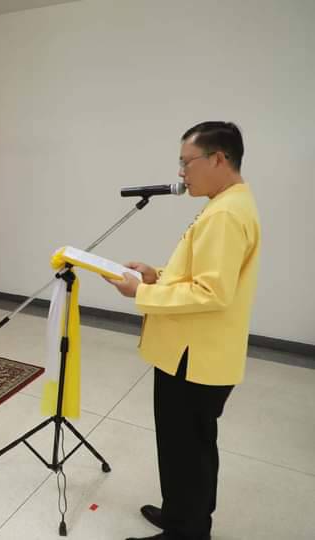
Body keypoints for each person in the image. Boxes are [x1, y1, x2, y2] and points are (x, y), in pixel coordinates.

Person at [107, 122, 261, 540]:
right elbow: (203, 275)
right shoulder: (230, 202)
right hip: (198, 351)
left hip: (195, 357)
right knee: (190, 445)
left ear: (218, 159)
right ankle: (182, 515)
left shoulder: (225, 214)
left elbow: (211, 292)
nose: (180, 173)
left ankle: (187, 531)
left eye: (186, 162)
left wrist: (141, 293)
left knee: (187, 448)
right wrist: (156, 275)